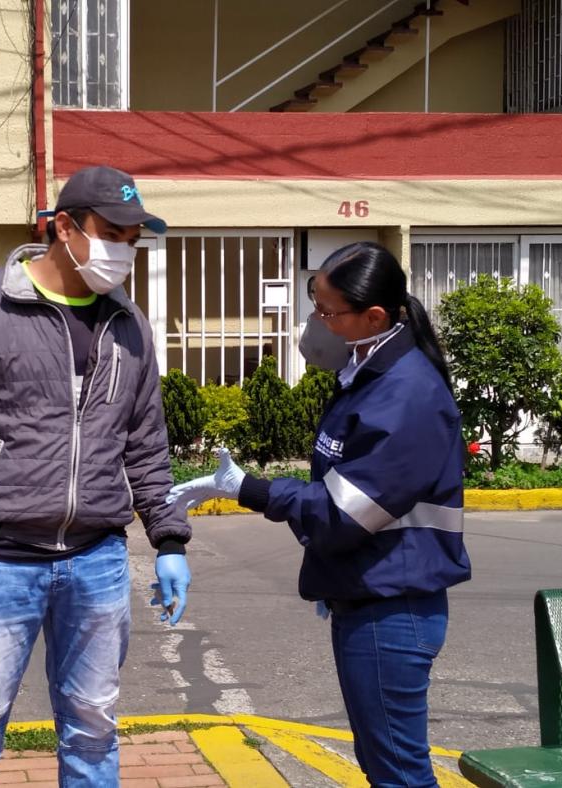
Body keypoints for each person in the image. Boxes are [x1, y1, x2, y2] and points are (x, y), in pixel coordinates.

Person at [0, 165, 192, 786]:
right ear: (65, 226)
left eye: (135, 237)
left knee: (94, 727)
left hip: (97, 562)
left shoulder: (129, 325)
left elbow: (144, 440)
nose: (126, 249)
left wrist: (168, 539)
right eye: (113, 232)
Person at [169, 241, 472, 788]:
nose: (316, 323)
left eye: (328, 312)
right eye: (316, 306)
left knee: (399, 772)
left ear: (374, 316)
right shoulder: (368, 375)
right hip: (369, 593)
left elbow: (344, 512)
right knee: (385, 763)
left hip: (392, 607)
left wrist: (251, 489)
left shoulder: (405, 396)